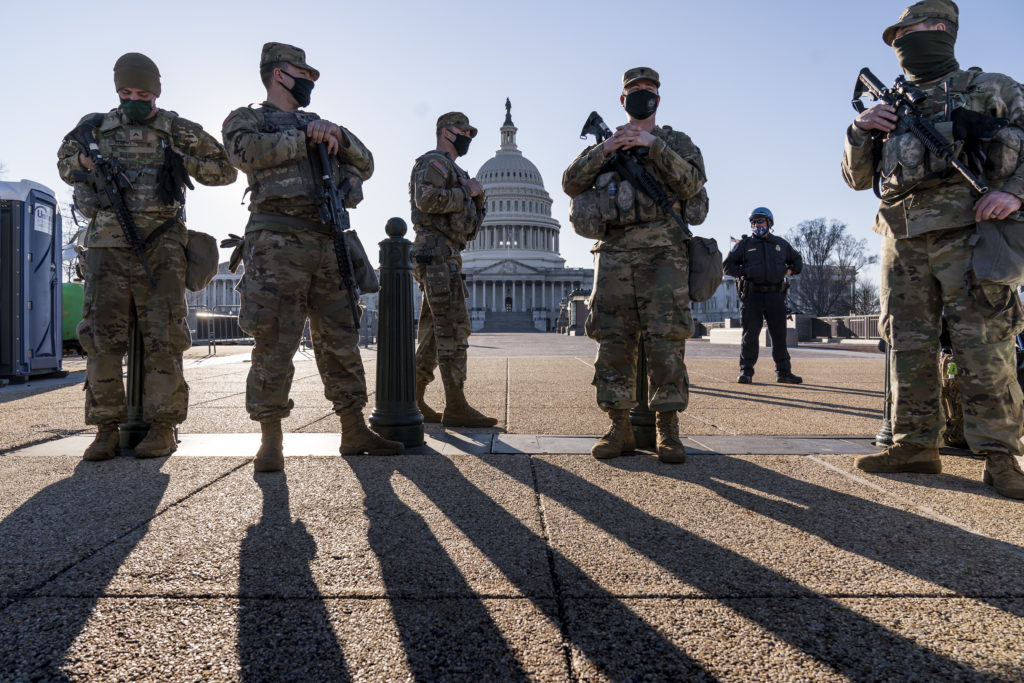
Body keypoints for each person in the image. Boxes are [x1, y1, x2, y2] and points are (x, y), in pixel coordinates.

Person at [842, 0, 1024, 499]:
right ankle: (915, 446)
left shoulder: (994, 88)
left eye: (908, 31)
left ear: (940, 29)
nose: (900, 43)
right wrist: (859, 130)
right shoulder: (890, 103)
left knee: (984, 346)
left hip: (973, 231)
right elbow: (859, 180)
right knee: (907, 346)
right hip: (901, 238)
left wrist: (1015, 191)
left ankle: (1001, 458)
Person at [222, 42, 402, 472]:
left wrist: (336, 136)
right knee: (274, 341)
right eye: (304, 74)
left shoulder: (322, 124)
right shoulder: (248, 119)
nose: (309, 83)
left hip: (327, 241)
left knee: (340, 338)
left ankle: (353, 427)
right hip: (275, 243)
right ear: (279, 73)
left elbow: (367, 163)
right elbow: (241, 153)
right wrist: (301, 138)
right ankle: (270, 438)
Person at [57, 53, 236, 461]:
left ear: (156, 90)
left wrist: (181, 158)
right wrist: (84, 162)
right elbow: (65, 163)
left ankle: (163, 426)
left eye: (142, 93)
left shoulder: (175, 128)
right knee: (102, 341)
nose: (133, 99)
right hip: (107, 246)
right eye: (125, 92)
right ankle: (105, 429)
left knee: (165, 338)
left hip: (162, 245)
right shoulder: (94, 127)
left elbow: (225, 170)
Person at [562, 67, 707, 463]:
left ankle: (668, 430)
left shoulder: (676, 142)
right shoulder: (606, 143)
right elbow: (570, 182)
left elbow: (693, 184)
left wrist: (652, 146)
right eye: (634, 91)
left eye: (649, 91)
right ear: (622, 101)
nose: (642, 96)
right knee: (612, 341)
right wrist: (606, 150)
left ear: (658, 99)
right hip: (614, 253)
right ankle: (617, 426)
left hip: (664, 254)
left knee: (666, 341)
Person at [409, 112, 497, 428]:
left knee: (434, 333)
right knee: (453, 330)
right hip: (435, 253)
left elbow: (469, 228)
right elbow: (427, 200)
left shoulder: (457, 171)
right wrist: (467, 193)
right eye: (464, 131)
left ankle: (414, 398)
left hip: (447, 253)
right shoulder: (435, 163)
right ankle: (456, 405)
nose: (469, 137)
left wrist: (479, 198)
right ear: (446, 132)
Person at [723, 207, 803, 384]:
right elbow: (727, 265)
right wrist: (746, 271)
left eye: (760, 221)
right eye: (754, 222)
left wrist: (789, 270)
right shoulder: (744, 245)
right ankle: (746, 372)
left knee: (779, 336)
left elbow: (798, 261)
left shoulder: (781, 244)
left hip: (776, 296)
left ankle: (783, 373)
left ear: (769, 223)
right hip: (752, 296)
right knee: (750, 336)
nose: (757, 225)